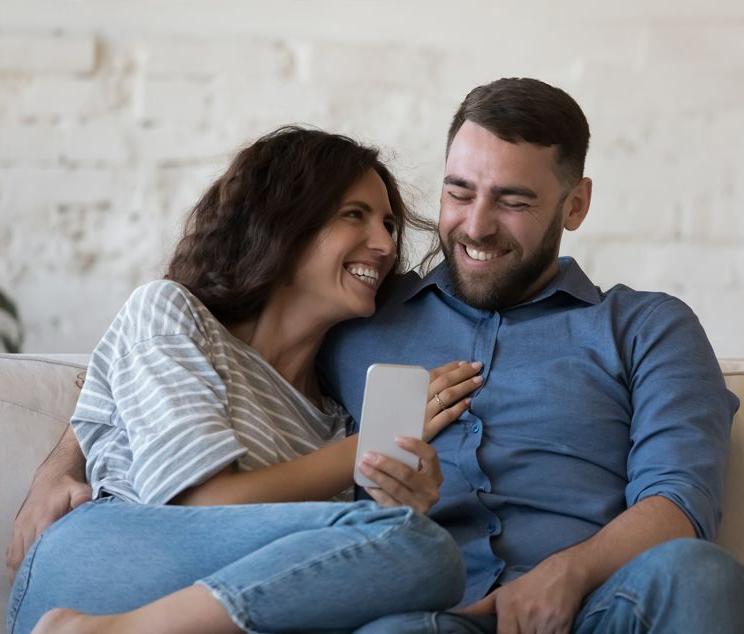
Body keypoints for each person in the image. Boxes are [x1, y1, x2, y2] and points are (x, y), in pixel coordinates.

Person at [11, 79, 744, 633]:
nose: (473, 225)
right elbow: (146, 358)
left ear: (574, 205)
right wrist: (61, 464)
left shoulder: (646, 327)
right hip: (423, 610)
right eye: (458, 191)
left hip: (592, 603)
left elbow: (679, 499)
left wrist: (567, 574)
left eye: (513, 200)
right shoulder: (359, 317)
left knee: (700, 577)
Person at [7, 127, 482, 633]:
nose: (386, 245)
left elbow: (297, 572)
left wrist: (399, 497)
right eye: (354, 215)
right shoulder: (170, 313)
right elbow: (201, 504)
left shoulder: (334, 419)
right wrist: (369, 454)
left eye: (388, 224)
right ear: (284, 221)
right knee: (423, 548)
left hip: (209, 608)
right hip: (105, 565)